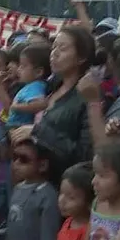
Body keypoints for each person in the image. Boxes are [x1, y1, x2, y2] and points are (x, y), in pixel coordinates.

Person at [10, 27, 95, 184]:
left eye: (62, 48)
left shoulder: (86, 98)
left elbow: (83, 154)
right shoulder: (49, 87)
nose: (54, 53)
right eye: (54, 46)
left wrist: (37, 131)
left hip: (62, 186)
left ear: (81, 57)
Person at [7, 45, 50, 129]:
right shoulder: (30, 85)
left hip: (19, 128)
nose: (19, 69)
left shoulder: (36, 86)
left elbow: (41, 104)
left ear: (38, 72)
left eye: (23, 66)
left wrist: (15, 107)